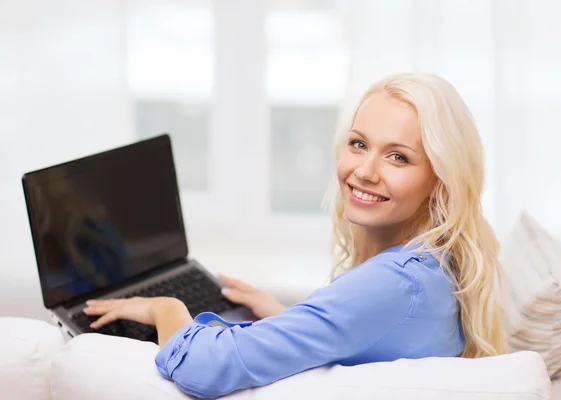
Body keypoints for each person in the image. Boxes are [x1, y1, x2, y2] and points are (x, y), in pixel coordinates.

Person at [83, 73, 507, 398]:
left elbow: (205, 366)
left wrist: (165, 307)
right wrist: (288, 317)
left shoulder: (395, 283)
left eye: (398, 156)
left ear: (441, 179)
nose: (365, 171)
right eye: (359, 144)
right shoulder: (434, 263)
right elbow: (371, 334)